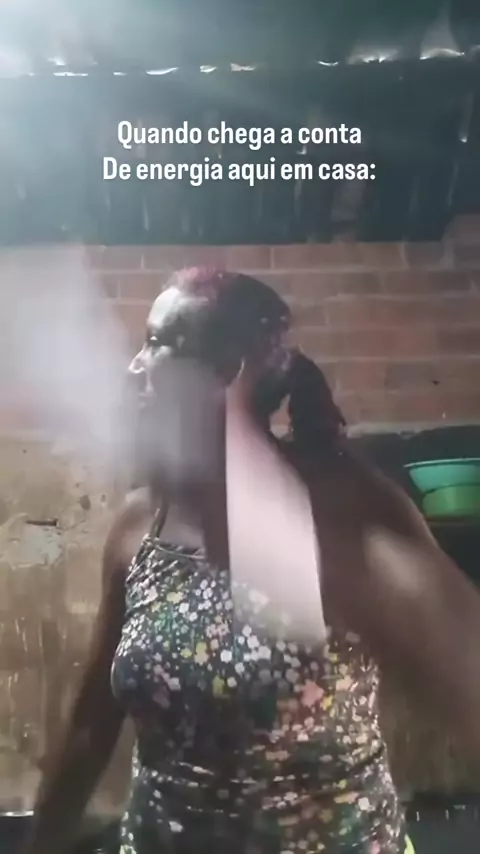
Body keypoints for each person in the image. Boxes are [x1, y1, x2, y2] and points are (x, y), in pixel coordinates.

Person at [25, 267, 480, 854]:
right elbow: (91, 725)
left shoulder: (345, 510)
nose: (134, 366)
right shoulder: (142, 522)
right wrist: (43, 840)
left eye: (157, 342)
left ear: (226, 372)